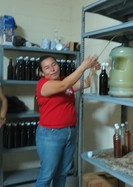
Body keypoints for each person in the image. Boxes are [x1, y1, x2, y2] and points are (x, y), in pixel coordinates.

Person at [35, 55, 100, 187]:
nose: (52, 69)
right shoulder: (44, 85)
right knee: (47, 174)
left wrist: (92, 70)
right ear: (42, 73)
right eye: (47, 68)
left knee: (62, 173)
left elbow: (85, 84)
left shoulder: (65, 81)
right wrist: (83, 66)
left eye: (54, 64)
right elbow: (63, 85)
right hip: (50, 134)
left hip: (70, 132)